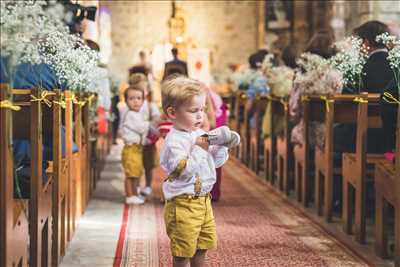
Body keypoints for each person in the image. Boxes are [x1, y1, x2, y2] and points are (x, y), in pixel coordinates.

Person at [160, 76, 239, 267]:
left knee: (202, 245)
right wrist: (200, 147)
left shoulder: (198, 135)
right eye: (193, 111)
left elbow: (215, 162)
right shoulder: (174, 141)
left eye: (202, 110)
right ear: (172, 112)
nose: (200, 116)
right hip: (183, 205)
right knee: (183, 251)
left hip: (204, 201)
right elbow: (183, 170)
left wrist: (222, 146)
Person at [120, 85, 156, 205]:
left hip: (137, 148)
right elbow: (141, 128)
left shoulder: (138, 114)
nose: (136, 101)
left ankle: (135, 193)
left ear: (143, 100)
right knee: (131, 173)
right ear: (126, 101)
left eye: (139, 98)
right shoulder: (130, 114)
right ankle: (129, 195)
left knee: (136, 172)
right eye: (131, 98)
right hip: (131, 148)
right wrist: (150, 124)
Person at [128, 73, 161, 196]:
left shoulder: (150, 106)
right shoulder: (130, 106)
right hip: (135, 140)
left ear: (147, 91)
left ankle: (147, 185)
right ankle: (136, 186)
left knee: (148, 165)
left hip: (148, 140)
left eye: (144, 90)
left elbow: (157, 120)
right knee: (135, 165)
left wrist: (150, 124)